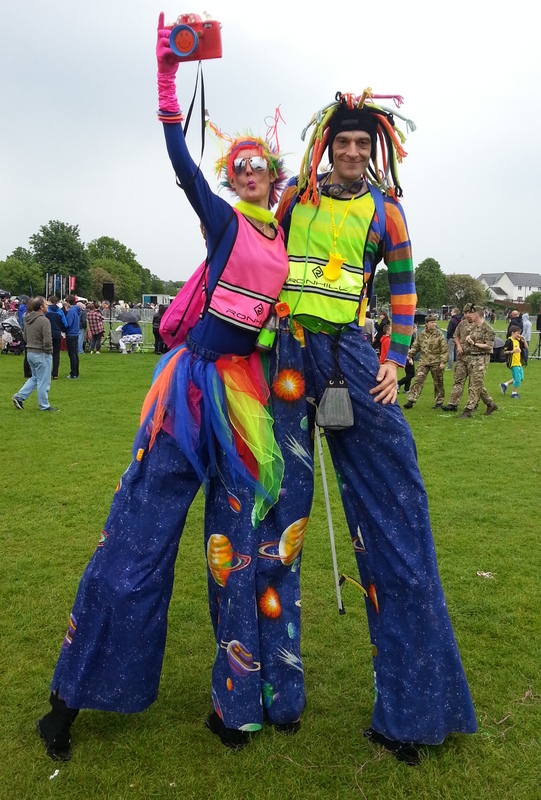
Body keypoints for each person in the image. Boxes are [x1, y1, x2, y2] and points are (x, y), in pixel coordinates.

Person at [36, 14, 311, 761]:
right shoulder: (223, 223)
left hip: (247, 402)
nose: (248, 172)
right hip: (191, 400)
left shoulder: (285, 234)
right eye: (240, 166)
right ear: (231, 179)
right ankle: (67, 699)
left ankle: (235, 708)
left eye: (261, 166)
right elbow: (180, 166)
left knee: (240, 551)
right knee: (136, 546)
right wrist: (165, 80)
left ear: (276, 177)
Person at [276, 91, 477, 763]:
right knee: (266, 518)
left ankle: (412, 710)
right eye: (344, 143)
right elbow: (245, 245)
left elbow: (401, 292)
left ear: (376, 149)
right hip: (282, 361)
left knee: (396, 520)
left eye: (364, 144)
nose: (354, 153)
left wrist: (393, 360)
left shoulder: (387, 210)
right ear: (326, 146)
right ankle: (263, 695)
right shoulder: (291, 197)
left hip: (352, 364)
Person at [442, 303, 498, 417]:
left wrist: (474, 343)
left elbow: (489, 346)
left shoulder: (487, 328)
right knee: (476, 383)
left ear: (476, 314)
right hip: (469, 357)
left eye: (470, 313)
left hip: (481, 357)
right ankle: (490, 404)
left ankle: (468, 410)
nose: (468, 315)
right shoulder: (470, 326)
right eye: (466, 313)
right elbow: (457, 336)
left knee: (475, 384)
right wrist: (461, 345)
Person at [12, 297, 59, 412]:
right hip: (41, 353)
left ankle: (19, 397)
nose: (47, 306)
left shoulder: (28, 320)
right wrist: (49, 351)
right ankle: (44, 405)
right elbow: (47, 339)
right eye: (46, 305)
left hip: (30, 353)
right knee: (44, 380)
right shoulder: (44, 321)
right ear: (41, 308)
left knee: (35, 378)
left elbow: (25, 337)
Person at [403, 315, 447, 409]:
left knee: (438, 382)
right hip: (424, 361)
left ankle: (439, 402)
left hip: (436, 361)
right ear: (426, 324)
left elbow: (444, 349)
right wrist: (409, 355)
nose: (434, 324)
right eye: (432, 322)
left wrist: (443, 362)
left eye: (435, 322)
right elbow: (416, 346)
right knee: (418, 380)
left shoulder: (439, 334)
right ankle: (411, 400)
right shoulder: (422, 334)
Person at [500, 326, 527, 398]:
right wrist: (513, 351)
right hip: (513, 363)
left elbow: (526, 347)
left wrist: (523, 339)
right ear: (512, 333)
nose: (519, 335)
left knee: (521, 378)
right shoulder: (509, 341)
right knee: (517, 379)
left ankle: (505, 385)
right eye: (517, 333)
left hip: (519, 362)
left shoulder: (518, 340)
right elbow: (504, 352)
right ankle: (514, 393)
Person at [45, 296, 67, 380]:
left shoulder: (46, 311)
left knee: (47, 353)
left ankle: (46, 372)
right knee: (56, 354)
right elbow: (65, 324)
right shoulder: (60, 311)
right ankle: (55, 373)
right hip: (57, 334)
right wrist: (61, 329)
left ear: (50, 301)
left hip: (47, 334)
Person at [63, 295, 81, 379]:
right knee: (75, 354)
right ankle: (76, 372)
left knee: (72, 355)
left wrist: (63, 328)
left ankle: (73, 373)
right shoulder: (76, 310)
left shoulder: (71, 311)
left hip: (70, 334)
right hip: (76, 333)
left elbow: (68, 323)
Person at [397, 323, 417, 393]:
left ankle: (406, 389)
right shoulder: (410, 337)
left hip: (406, 356)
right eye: (415, 328)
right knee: (412, 373)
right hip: (408, 356)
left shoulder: (408, 336)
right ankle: (399, 383)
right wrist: (410, 358)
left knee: (409, 373)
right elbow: (407, 347)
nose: (416, 330)